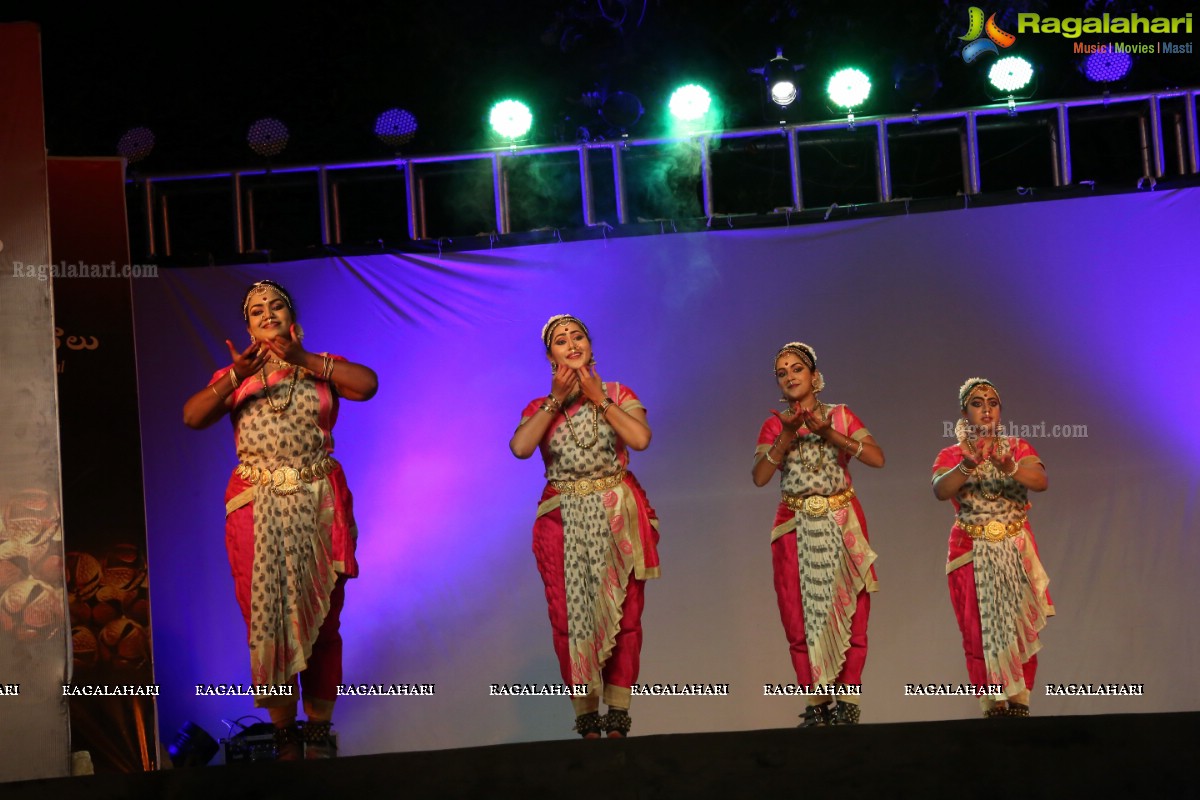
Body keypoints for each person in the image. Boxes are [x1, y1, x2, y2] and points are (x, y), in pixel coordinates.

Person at [183, 279, 378, 759]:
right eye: (256, 311)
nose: (266, 313)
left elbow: (368, 385)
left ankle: (317, 731)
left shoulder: (322, 368)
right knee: (265, 621)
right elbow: (192, 416)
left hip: (317, 505)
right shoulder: (237, 377)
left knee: (324, 621)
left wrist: (304, 359)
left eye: (276, 306)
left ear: (294, 321)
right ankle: (285, 731)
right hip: (257, 509)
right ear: (247, 327)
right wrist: (234, 374)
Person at [509, 314, 660, 738]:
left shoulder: (617, 392)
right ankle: (586, 714)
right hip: (563, 520)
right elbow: (521, 448)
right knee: (570, 618)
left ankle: (618, 713)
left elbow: (641, 439)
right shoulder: (539, 407)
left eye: (578, 337)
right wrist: (556, 400)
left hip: (617, 516)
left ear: (591, 347)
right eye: (561, 341)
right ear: (550, 355)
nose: (571, 344)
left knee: (625, 616)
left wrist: (600, 399)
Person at [752, 342, 883, 727]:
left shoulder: (840, 416)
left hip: (842, 521)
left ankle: (848, 702)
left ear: (813, 376)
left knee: (853, 615)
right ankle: (817, 705)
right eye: (782, 372)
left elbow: (877, 458)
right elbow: (759, 477)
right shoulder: (776, 423)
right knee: (798, 621)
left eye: (797, 369)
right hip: (794, 527)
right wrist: (788, 434)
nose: (790, 376)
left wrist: (830, 434)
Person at [931, 378, 1053, 717]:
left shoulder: (1017, 447)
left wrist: (1009, 467)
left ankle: (1020, 703)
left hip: (1015, 550)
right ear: (964, 412)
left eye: (993, 402)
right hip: (970, 551)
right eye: (977, 402)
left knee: (1019, 629)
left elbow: (1041, 482)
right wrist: (968, 464)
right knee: (976, 632)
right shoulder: (951, 454)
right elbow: (941, 490)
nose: (986, 408)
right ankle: (991, 704)